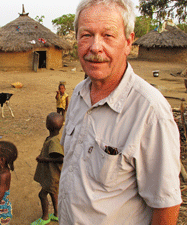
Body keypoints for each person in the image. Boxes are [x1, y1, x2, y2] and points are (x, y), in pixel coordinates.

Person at [58, 0, 182, 224]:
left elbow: (165, 207)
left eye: (108, 35)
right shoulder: (78, 94)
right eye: (86, 35)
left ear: (128, 43)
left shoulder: (150, 113)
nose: (95, 47)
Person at [31, 112, 64, 225]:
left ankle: (45, 218)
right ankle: (57, 214)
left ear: (47, 125)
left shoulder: (54, 141)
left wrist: (45, 160)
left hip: (52, 176)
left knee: (42, 194)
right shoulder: (55, 137)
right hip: (52, 176)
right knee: (53, 193)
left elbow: (61, 159)